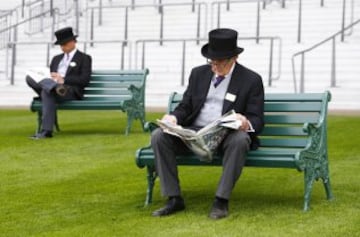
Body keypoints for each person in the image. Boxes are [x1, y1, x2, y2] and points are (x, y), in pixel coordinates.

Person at [151, 28, 264, 219]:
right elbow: (186, 106)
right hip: (195, 132)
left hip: (227, 135)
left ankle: (221, 200)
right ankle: (173, 198)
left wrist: (245, 122)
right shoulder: (198, 74)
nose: (215, 67)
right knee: (159, 136)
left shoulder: (251, 80)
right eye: (212, 62)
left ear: (234, 58)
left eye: (220, 63)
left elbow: (258, 119)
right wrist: (173, 118)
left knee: (240, 140)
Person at [26, 26, 92, 139]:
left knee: (46, 92)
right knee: (30, 77)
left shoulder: (84, 58)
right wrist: (50, 77)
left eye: (64, 43)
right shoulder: (56, 58)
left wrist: (64, 79)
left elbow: (84, 80)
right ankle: (54, 87)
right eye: (60, 44)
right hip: (54, 87)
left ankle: (46, 131)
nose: (62, 46)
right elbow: (49, 74)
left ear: (73, 42)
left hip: (70, 90)